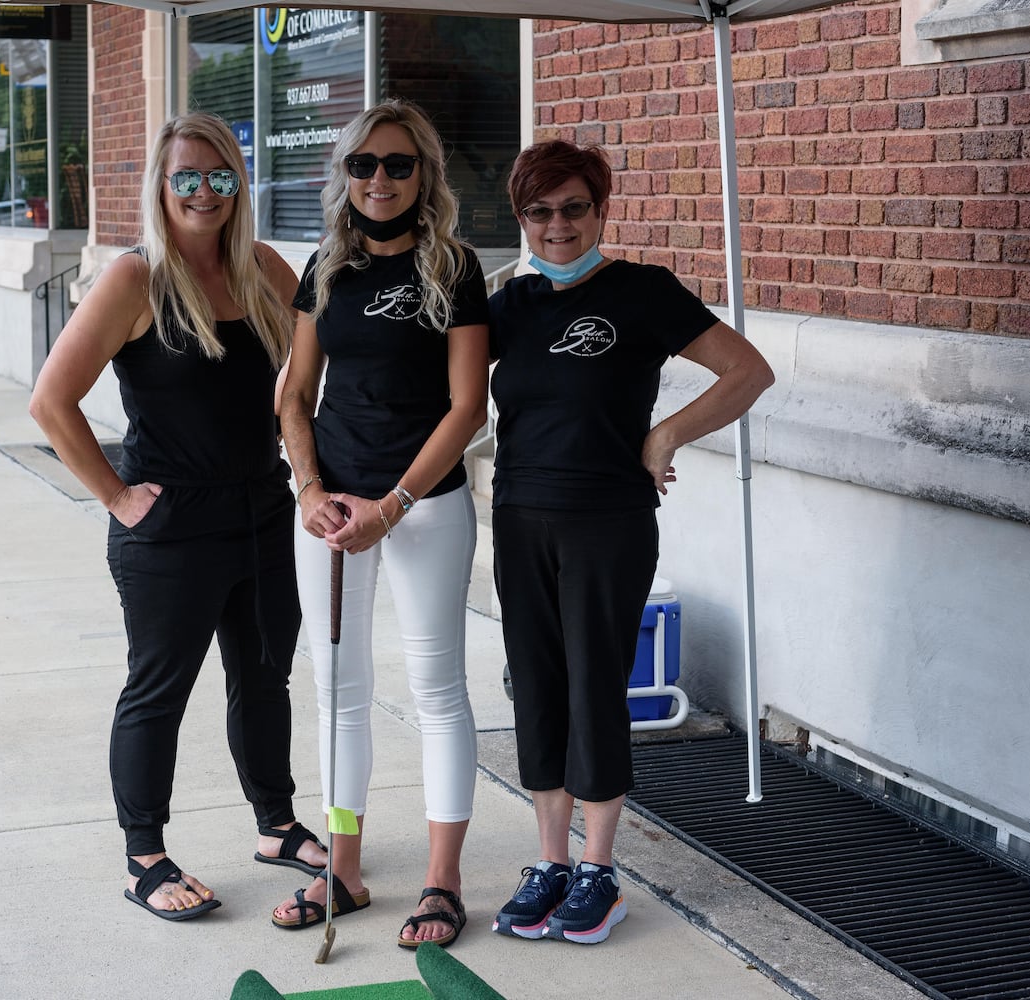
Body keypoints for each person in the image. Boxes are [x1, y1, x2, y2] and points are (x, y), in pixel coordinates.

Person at [28, 112, 325, 921]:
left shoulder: (267, 269)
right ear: (160, 188)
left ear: (241, 185)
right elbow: (51, 403)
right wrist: (118, 497)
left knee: (265, 677)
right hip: (171, 526)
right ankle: (144, 855)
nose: (203, 191)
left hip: (263, 512)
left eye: (220, 176)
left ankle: (276, 822)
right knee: (159, 689)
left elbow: (321, 371)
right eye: (185, 177)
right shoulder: (135, 280)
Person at [486, 139, 774, 945]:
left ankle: (600, 869)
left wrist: (667, 435)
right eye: (538, 212)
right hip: (518, 519)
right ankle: (549, 862)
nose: (558, 225)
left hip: (608, 521)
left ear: (601, 208)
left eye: (574, 207)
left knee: (592, 685)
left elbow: (748, 372)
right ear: (522, 219)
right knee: (537, 686)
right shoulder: (507, 305)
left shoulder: (643, 293)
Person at [273, 99, 489, 949]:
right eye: (364, 165)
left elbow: (469, 406)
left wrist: (392, 504)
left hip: (424, 508)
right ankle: (347, 871)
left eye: (398, 164)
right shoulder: (324, 268)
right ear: (344, 176)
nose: (380, 180)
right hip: (329, 511)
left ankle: (442, 882)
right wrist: (310, 490)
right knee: (339, 694)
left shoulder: (456, 268)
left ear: (424, 175)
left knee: (438, 692)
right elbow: (294, 395)